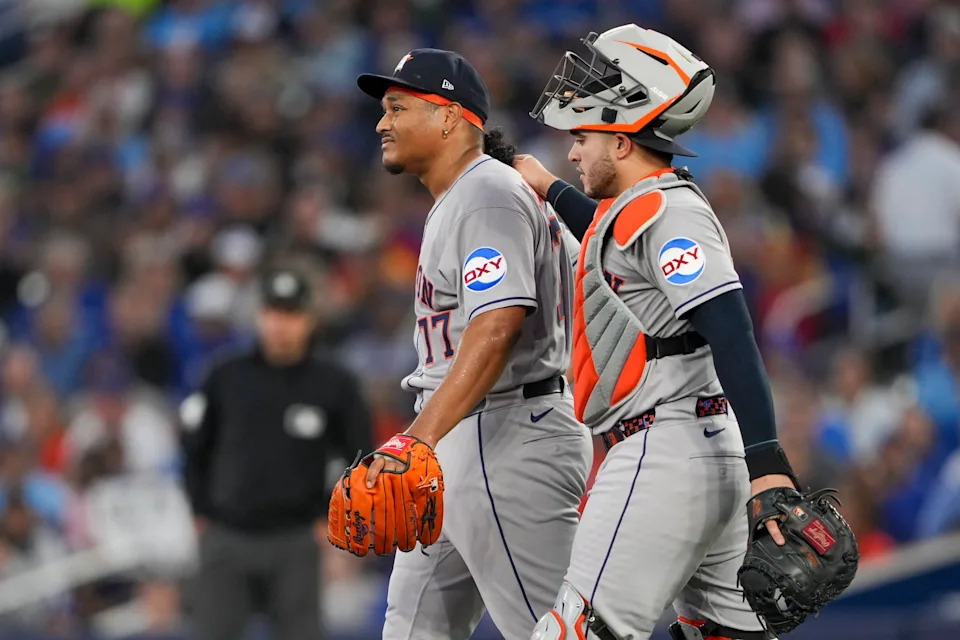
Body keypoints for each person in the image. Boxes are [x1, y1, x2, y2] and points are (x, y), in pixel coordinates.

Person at [514, 25, 799, 640]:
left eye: (582, 136)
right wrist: (548, 188)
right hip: (697, 444)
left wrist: (769, 462)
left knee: (575, 632)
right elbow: (609, 242)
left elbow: (731, 330)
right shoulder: (642, 211)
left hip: (663, 448)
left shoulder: (666, 211)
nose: (573, 152)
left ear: (621, 142)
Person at [354, 48, 593, 640]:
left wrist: (415, 442)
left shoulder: (486, 192)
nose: (382, 123)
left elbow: (498, 323)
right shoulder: (468, 195)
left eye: (398, 107)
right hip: (462, 439)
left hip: (506, 435)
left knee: (551, 634)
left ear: (449, 117)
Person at [180, 267, 372, 640]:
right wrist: (199, 511)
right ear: (259, 316)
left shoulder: (333, 383)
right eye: (273, 313)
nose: (281, 325)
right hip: (227, 535)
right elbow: (193, 447)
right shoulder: (226, 376)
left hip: (297, 538)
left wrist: (328, 519)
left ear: (310, 319)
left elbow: (360, 456)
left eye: (292, 314)